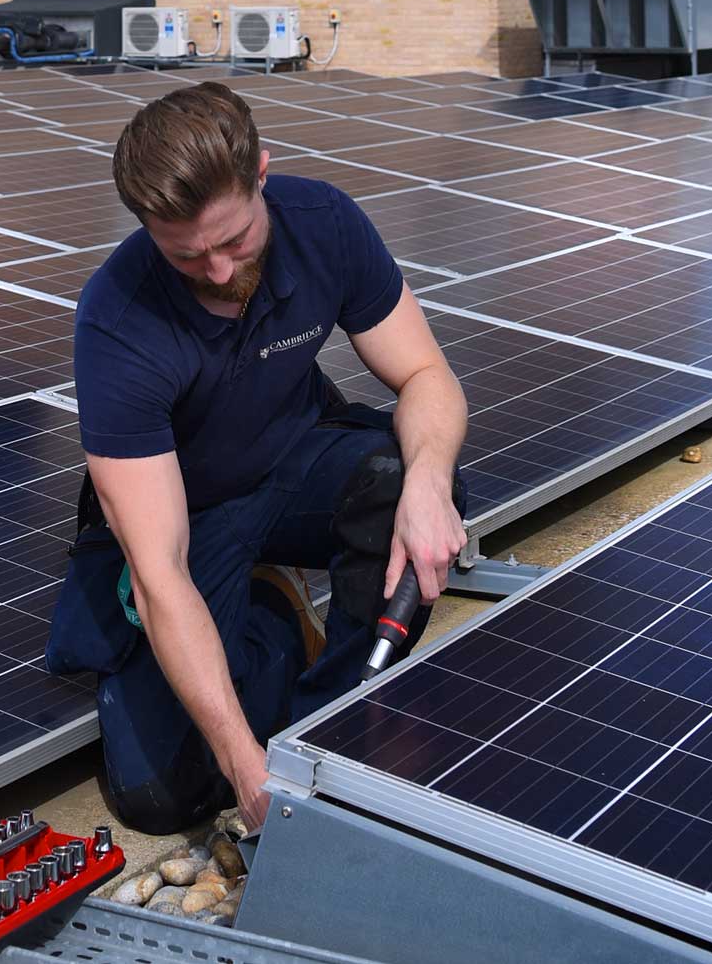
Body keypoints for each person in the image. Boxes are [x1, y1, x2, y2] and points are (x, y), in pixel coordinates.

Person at [44, 80, 470, 834]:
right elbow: (158, 573)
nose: (215, 270)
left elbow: (426, 377)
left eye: (233, 241)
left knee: (402, 479)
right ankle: (272, 615)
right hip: (191, 512)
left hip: (299, 465)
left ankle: (335, 727)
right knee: (165, 797)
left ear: (262, 175)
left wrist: (431, 486)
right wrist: (248, 774)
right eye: (185, 254)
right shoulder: (118, 321)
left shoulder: (323, 223)